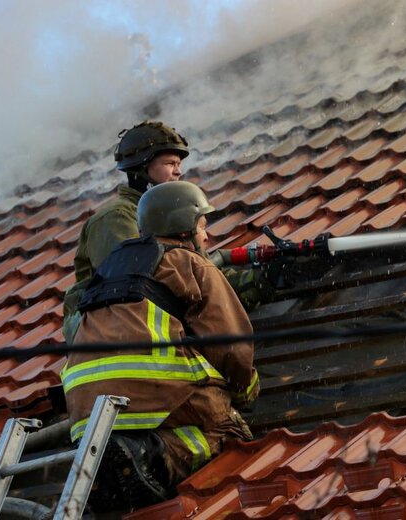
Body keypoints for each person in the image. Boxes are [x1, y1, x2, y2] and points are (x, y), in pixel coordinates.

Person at [61, 181, 259, 513]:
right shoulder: (191, 264)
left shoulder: (109, 269)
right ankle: (151, 456)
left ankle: (111, 476)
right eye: (203, 226)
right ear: (185, 227)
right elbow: (230, 344)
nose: (207, 237)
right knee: (228, 433)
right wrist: (246, 390)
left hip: (84, 410)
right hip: (146, 386)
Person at [62, 121, 268, 343]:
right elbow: (139, 281)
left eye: (179, 164)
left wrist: (254, 281)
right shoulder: (116, 218)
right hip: (115, 336)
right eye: (170, 163)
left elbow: (196, 271)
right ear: (141, 168)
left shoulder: (165, 213)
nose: (178, 171)